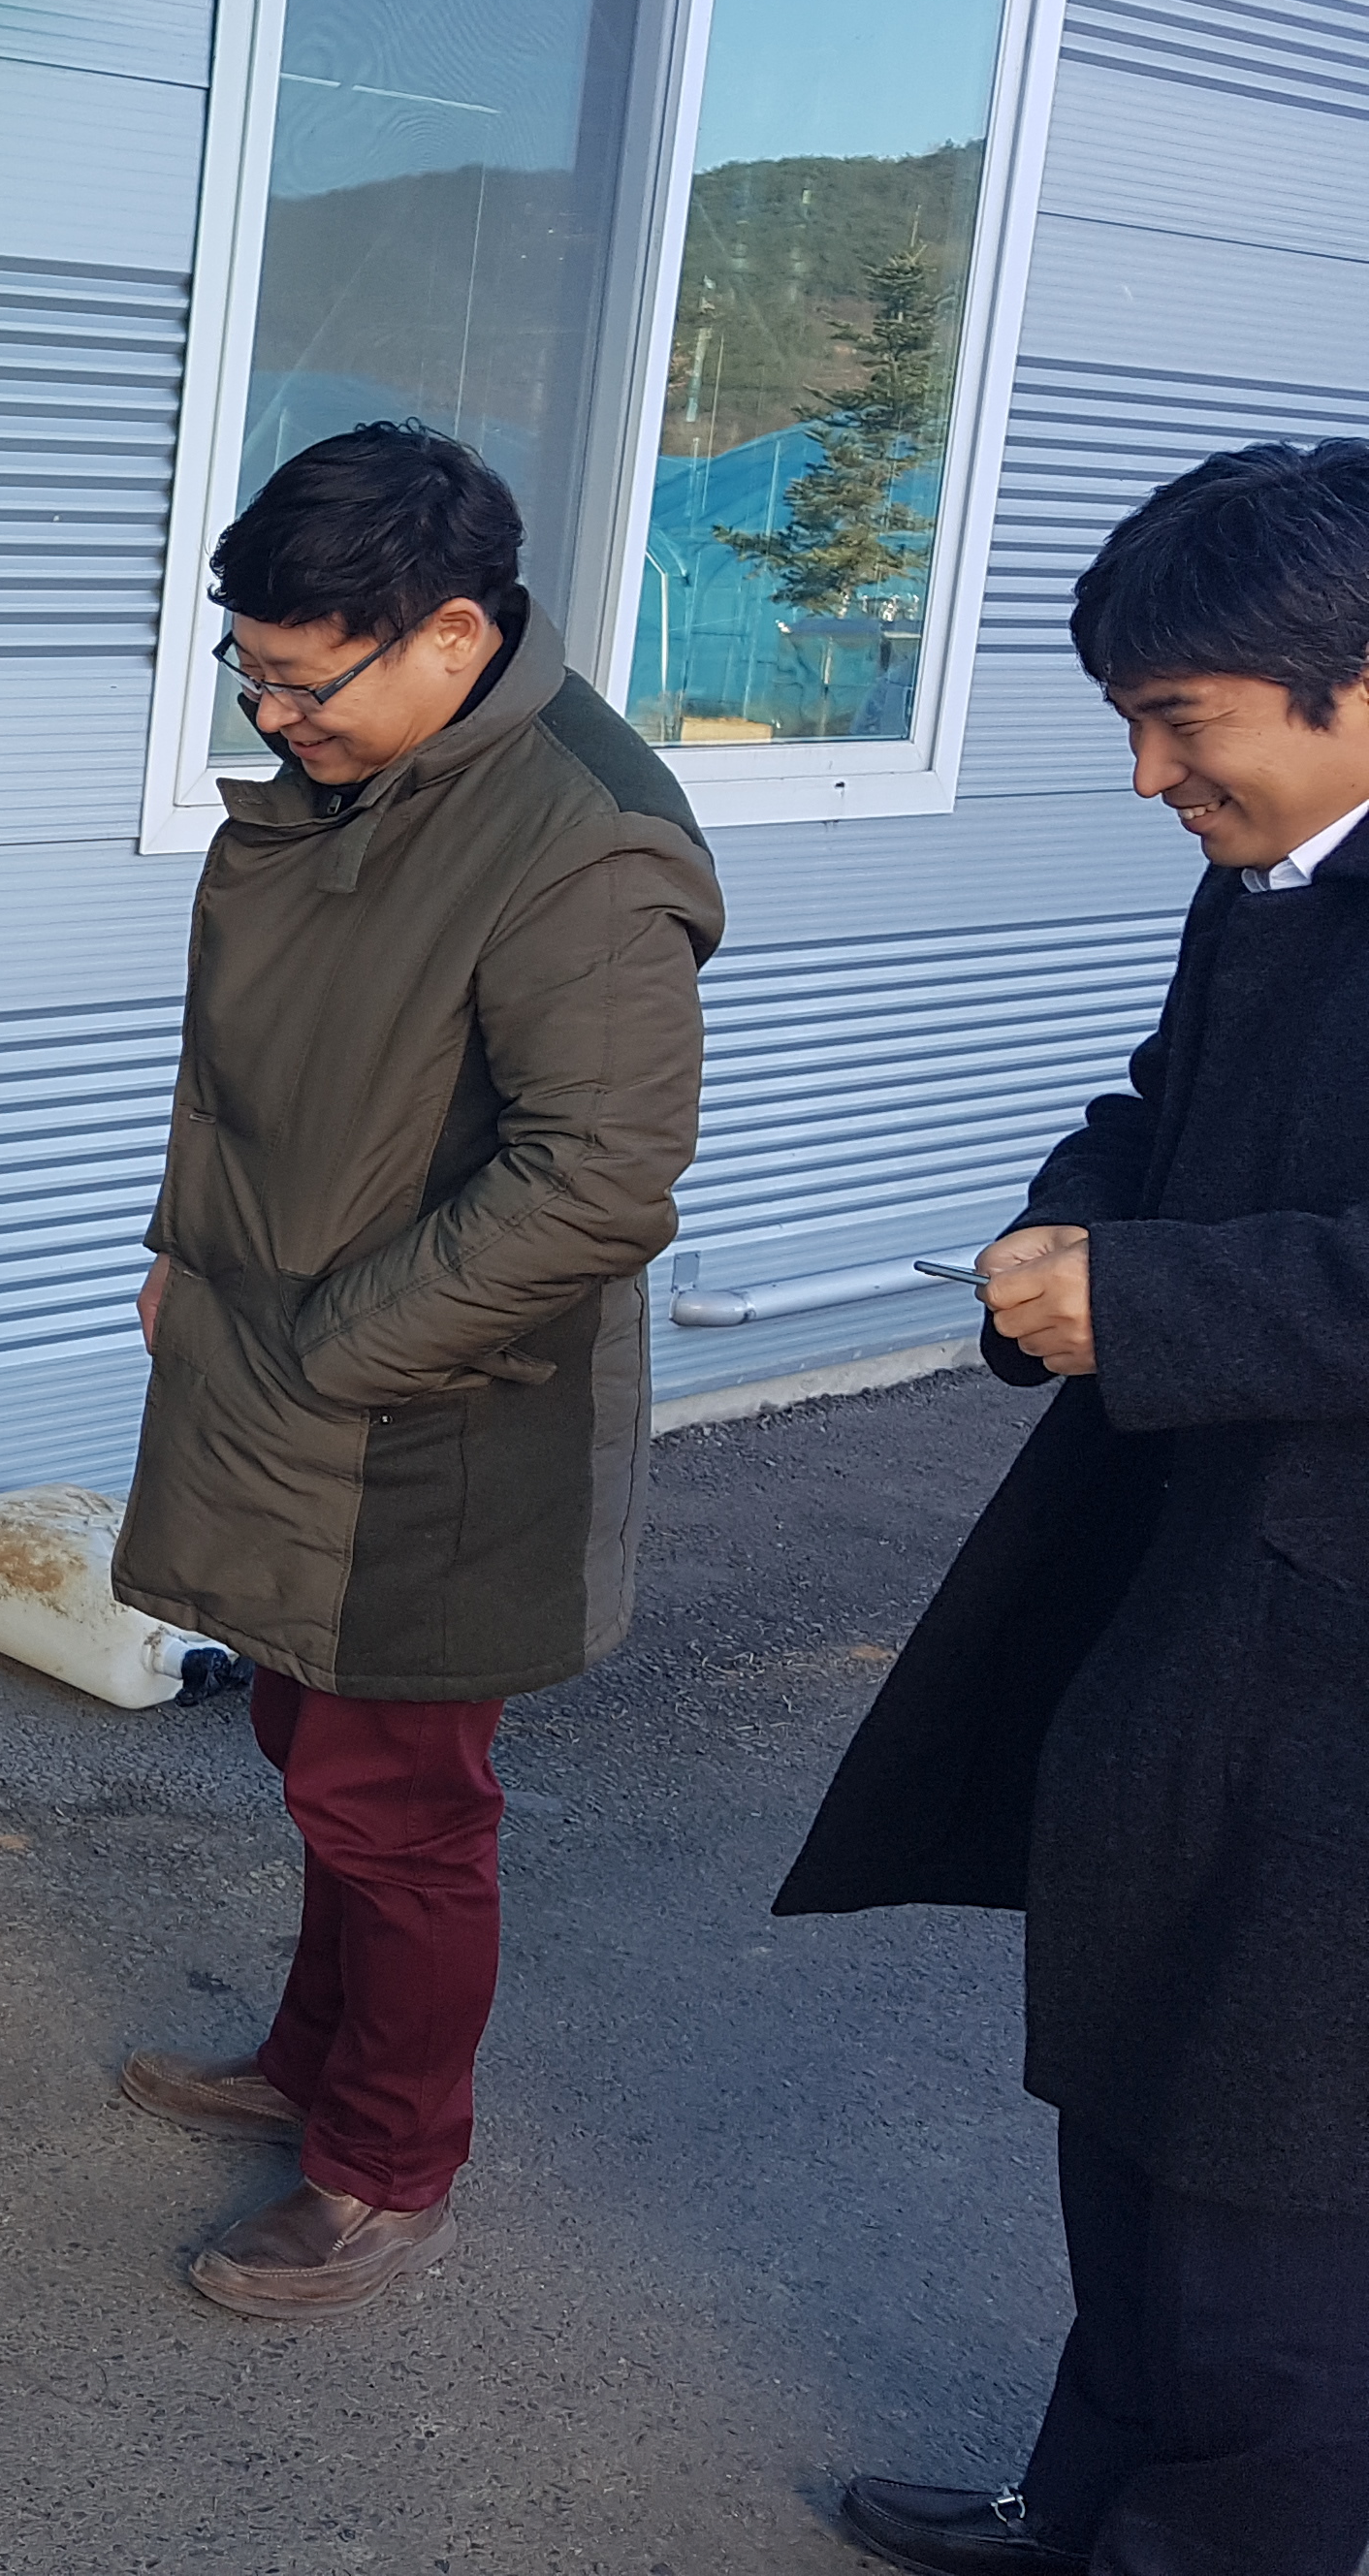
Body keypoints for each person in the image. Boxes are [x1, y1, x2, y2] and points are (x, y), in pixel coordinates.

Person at [783, 443, 1369, 2576]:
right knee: (1136, 2113)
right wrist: (1073, 1237)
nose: (1146, 777)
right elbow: (1155, 1108)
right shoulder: (1273, 880)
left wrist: (1146, 1295)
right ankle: (1085, 2511)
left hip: (1336, 1670)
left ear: (1352, 685)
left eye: (1178, 722)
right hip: (1199, 1589)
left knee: (1282, 2216)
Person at [110, 422, 723, 2318]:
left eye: (307, 681)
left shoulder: (579, 840)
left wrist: (331, 1351)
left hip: (436, 1430)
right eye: (256, 677)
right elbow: (249, 1070)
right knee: (317, 1759)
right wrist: (178, 1246)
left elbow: (601, 1176)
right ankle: (312, 2061)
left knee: (403, 1805)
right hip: (286, 1369)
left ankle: (387, 2167)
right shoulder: (372, 793)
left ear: (453, 632)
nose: (276, 716)